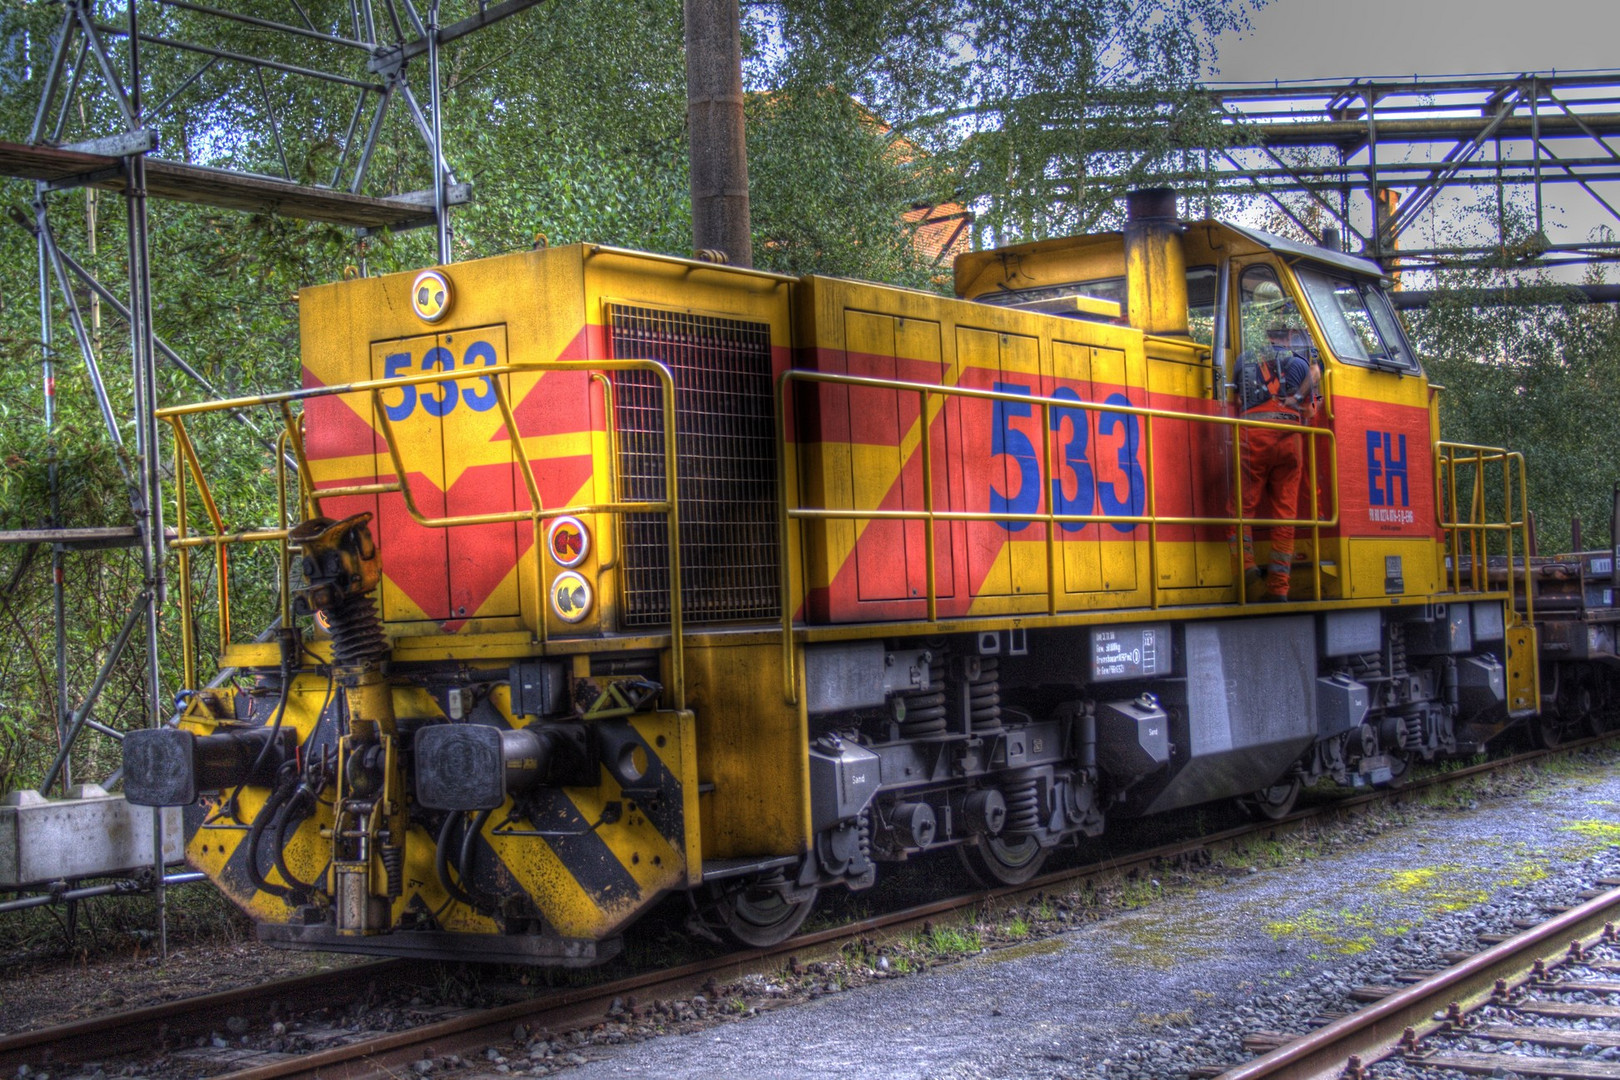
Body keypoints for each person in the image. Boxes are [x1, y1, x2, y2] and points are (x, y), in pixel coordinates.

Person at [1231, 316, 1320, 602]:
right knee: (1285, 512)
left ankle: (1245, 566)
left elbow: (1236, 402)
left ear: (1267, 334)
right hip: (1290, 440)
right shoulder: (1301, 365)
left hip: (1253, 438)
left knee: (1241, 507)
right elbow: (1310, 411)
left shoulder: (1243, 361)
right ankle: (1279, 587)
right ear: (1290, 336)